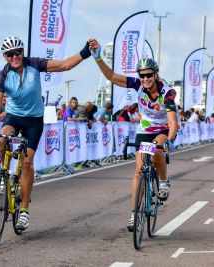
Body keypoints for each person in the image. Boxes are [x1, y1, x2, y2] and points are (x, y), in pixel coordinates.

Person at [0, 36, 91, 231]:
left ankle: (24, 211)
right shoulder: (3, 75)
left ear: (23, 51)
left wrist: (85, 52)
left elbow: (64, 65)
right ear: (5, 57)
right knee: (3, 137)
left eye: (18, 52)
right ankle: (4, 174)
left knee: (27, 163)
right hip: (14, 117)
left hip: (34, 121)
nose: (15, 56)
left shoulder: (34, 64)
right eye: (10, 54)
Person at [89, 38, 179, 232]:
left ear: (155, 75)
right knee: (138, 171)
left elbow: (173, 123)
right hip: (144, 129)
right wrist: (97, 59)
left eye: (148, 75)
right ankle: (134, 213)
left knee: (157, 149)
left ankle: (163, 182)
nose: (145, 79)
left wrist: (169, 141)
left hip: (163, 129)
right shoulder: (138, 85)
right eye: (142, 75)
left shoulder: (167, 93)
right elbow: (112, 76)